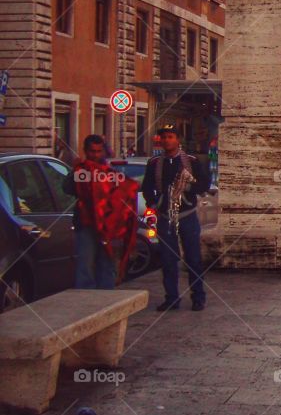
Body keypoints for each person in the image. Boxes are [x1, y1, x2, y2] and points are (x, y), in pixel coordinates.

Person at [143, 125, 211, 312]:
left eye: (170, 137)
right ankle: (171, 298)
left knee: (193, 259)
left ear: (178, 140)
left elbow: (204, 183)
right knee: (168, 259)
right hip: (166, 217)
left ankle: (198, 297)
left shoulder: (191, 161)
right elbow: (147, 187)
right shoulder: (155, 163)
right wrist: (155, 202)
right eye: (164, 137)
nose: (167, 140)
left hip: (187, 215)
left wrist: (188, 188)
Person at [64, 134, 138, 289]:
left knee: (106, 265)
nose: (96, 155)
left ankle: (106, 300)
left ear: (103, 151)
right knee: (85, 265)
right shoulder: (81, 170)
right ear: (85, 151)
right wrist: (74, 171)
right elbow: (68, 189)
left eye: (99, 151)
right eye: (92, 151)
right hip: (86, 225)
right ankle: (86, 303)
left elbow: (121, 194)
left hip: (107, 227)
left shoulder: (109, 172)